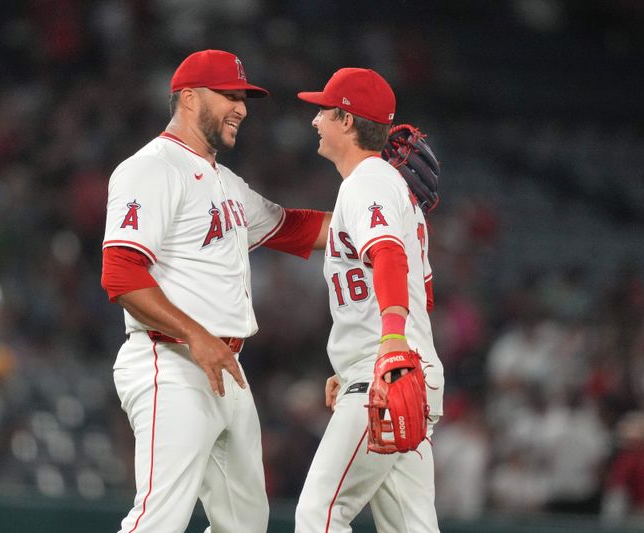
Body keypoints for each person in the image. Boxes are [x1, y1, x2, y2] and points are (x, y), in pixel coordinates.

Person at [100, 49, 330, 533]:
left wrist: (385, 207)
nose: (242, 107)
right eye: (229, 94)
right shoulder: (151, 167)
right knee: (158, 521)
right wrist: (195, 335)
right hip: (171, 360)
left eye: (243, 97)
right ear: (187, 98)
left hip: (224, 368)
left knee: (245, 524)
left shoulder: (224, 181)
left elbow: (296, 229)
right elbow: (121, 275)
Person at [294, 68, 445, 532]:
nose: (315, 119)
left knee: (321, 513)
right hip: (399, 369)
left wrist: (389, 344)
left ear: (346, 118)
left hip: (388, 369)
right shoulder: (378, 184)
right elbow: (424, 294)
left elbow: (388, 256)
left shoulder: (367, 180)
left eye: (323, 110)